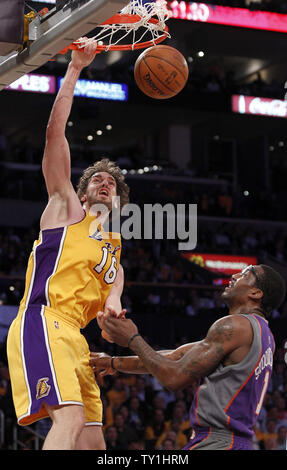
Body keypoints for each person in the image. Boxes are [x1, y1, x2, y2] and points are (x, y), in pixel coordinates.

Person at [6, 40, 129, 450]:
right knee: (69, 419)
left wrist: (113, 316)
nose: (104, 181)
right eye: (96, 178)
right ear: (80, 191)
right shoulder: (66, 209)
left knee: (94, 443)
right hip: (43, 320)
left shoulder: (114, 256)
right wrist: (75, 68)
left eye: (110, 182)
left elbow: (110, 324)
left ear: (117, 203)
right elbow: (54, 135)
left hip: (77, 340)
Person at [91, 264, 286, 450]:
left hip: (217, 442)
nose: (234, 276)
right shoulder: (263, 333)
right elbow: (174, 357)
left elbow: (174, 377)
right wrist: (112, 362)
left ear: (256, 293)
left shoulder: (235, 326)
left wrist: (132, 338)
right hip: (236, 441)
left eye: (244, 274)